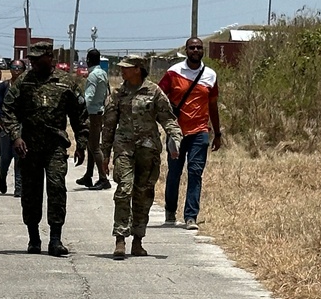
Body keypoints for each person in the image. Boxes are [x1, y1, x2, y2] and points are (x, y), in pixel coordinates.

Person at [0, 40, 88, 257]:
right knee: (31, 192)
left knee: (56, 187)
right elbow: (8, 110)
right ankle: (33, 238)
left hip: (55, 145)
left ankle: (55, 239)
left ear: (50, 58)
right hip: (28, 146)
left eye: (39, 59)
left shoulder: (67, 82)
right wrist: (16, 136)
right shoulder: (24, 83)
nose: (35, 63)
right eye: (32, 60)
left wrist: (81, 143)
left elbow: (80, 115)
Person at [100, 55, 181, 259]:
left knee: (143, 194)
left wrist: (175, 139)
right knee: (124, 190)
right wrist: (105, 154)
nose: (122, 71)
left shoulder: (154, 92)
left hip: (148, 149)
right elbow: (109, 125)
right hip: (125, 149)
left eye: (126, 68)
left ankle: (138, 240)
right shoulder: (118, 94)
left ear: (138, 69)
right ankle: (120, 238)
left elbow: (167, 118)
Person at [159, 37, 222, 230]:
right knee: (175, 173)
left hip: (200, 131)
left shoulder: (210, 75)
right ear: (186, 50)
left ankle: (190, 217)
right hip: (176, 132)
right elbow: (159, 98)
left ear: (203, 51)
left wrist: (217, 133)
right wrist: (165, 123)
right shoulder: (173, 72)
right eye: (192, 47)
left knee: (195, 173)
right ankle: (170, 211)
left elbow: (213, 105)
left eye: (199, 48)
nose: (195, 50)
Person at [75, 49, 111, 190]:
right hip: (99, 112)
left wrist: (79, 112)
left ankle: (103, 178)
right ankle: (88, 176)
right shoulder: (103, 74)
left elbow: (88, 97)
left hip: (92, 114)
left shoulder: (92, 76)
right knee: (91, 146)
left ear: (89, 60)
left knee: (95, 147)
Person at [0, 59, 26, 197]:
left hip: (21, 127)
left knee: (20, 156)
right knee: (6, 158)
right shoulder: (4, 86)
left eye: (19, 68)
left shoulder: (26, 86)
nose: (16, 70)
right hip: (6, 127)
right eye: (14, 67)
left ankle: (18, 187)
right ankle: (2, 179)